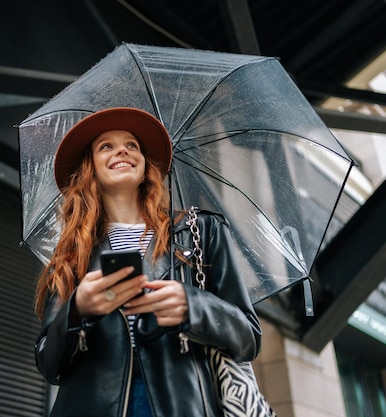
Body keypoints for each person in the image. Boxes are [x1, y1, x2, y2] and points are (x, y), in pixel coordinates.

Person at [34, 107, 262, 417]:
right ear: (90, 168)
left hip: (181, 406)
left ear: (145, 164)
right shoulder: (72, 255)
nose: (123, 150)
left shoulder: (199, 230)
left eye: (132, 144)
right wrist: (77, 310)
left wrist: (192, 306)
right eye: (106, 146)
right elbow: (49, 364)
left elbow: (248, 338)